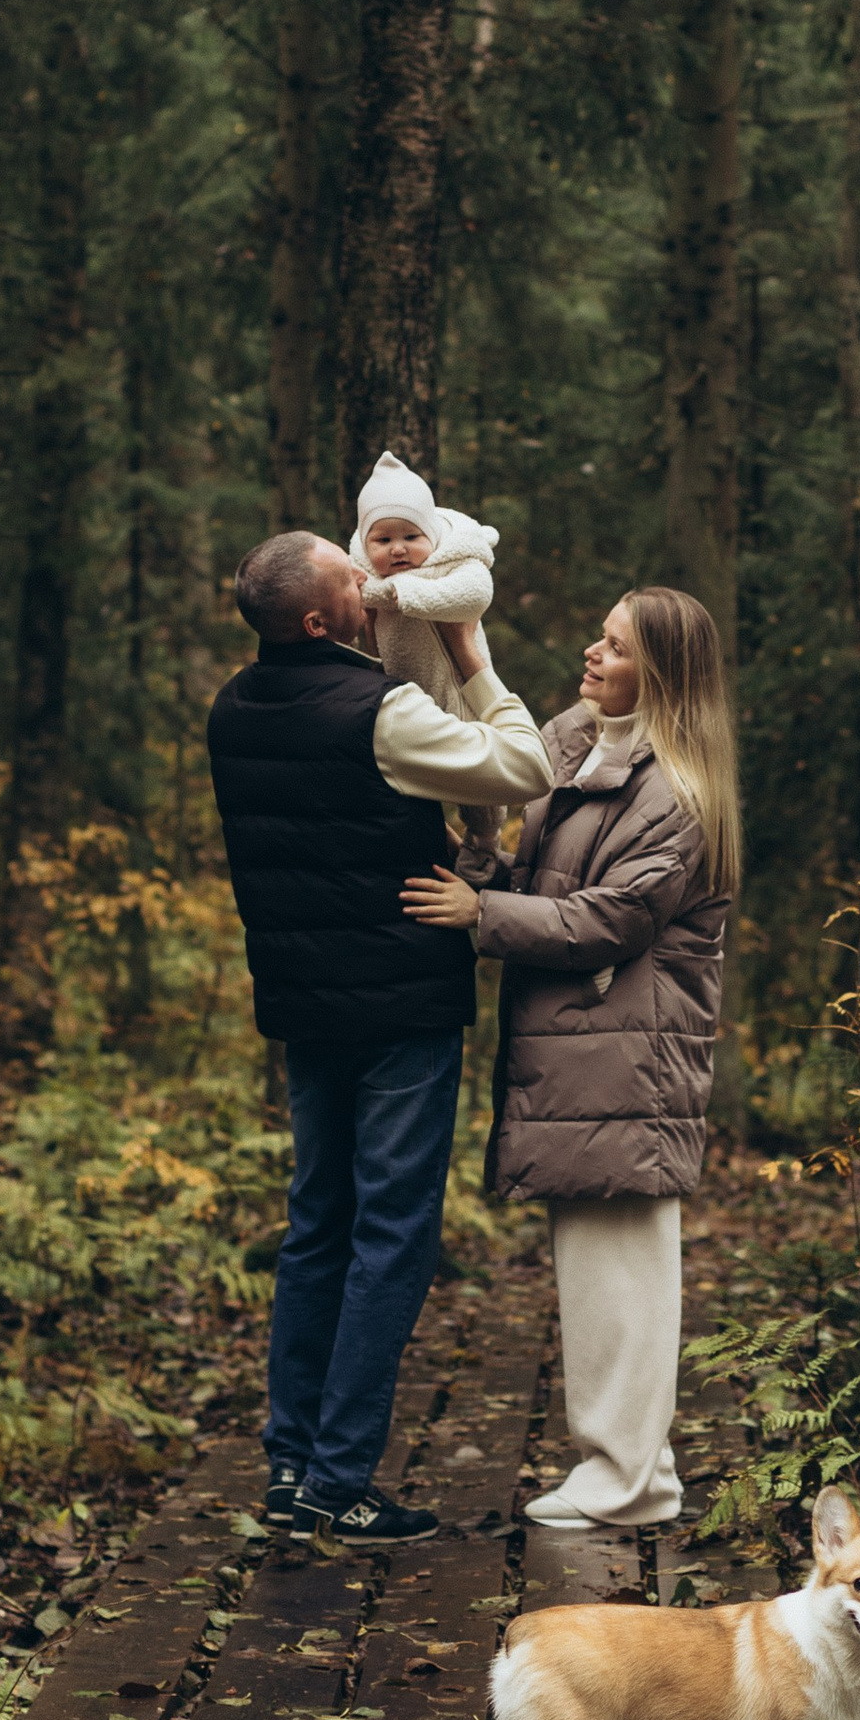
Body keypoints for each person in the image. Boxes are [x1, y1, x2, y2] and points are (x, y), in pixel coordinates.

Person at [209, 528, 553, 1541]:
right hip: (400, 1002)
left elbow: (326, 828)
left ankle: (290, 1465)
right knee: (392, 1233)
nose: (370, 578)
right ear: (322, 619)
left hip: (304, 1006)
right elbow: (524, 765)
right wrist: (473, 654)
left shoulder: (233, 706)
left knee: (317, 1223)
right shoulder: (382, 711)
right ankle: (340, 1476)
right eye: (349, 573)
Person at [403, 587, 737, 1530]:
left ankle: (625, 1481)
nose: (593, 652)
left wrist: (482, 914)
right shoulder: (578, 745)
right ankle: (633, 1471)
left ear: (659, 675)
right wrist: (479, 866)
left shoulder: (677, 793)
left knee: (622, 1278)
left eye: (617, 646)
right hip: (589, 1056)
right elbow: (543, 870)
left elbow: (610, 918)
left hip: (629, 1062)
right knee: (598, 1276)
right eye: (600, 635)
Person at [350, 447, 501, 719]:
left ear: (431, 534)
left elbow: (476, 594)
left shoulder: (452, 559)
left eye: (411, 537)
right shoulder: (365, 580)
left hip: (467, 697)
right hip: (407, 704)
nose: (398, 549)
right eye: (383, 540)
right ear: (365, 543)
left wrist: (410, 593)